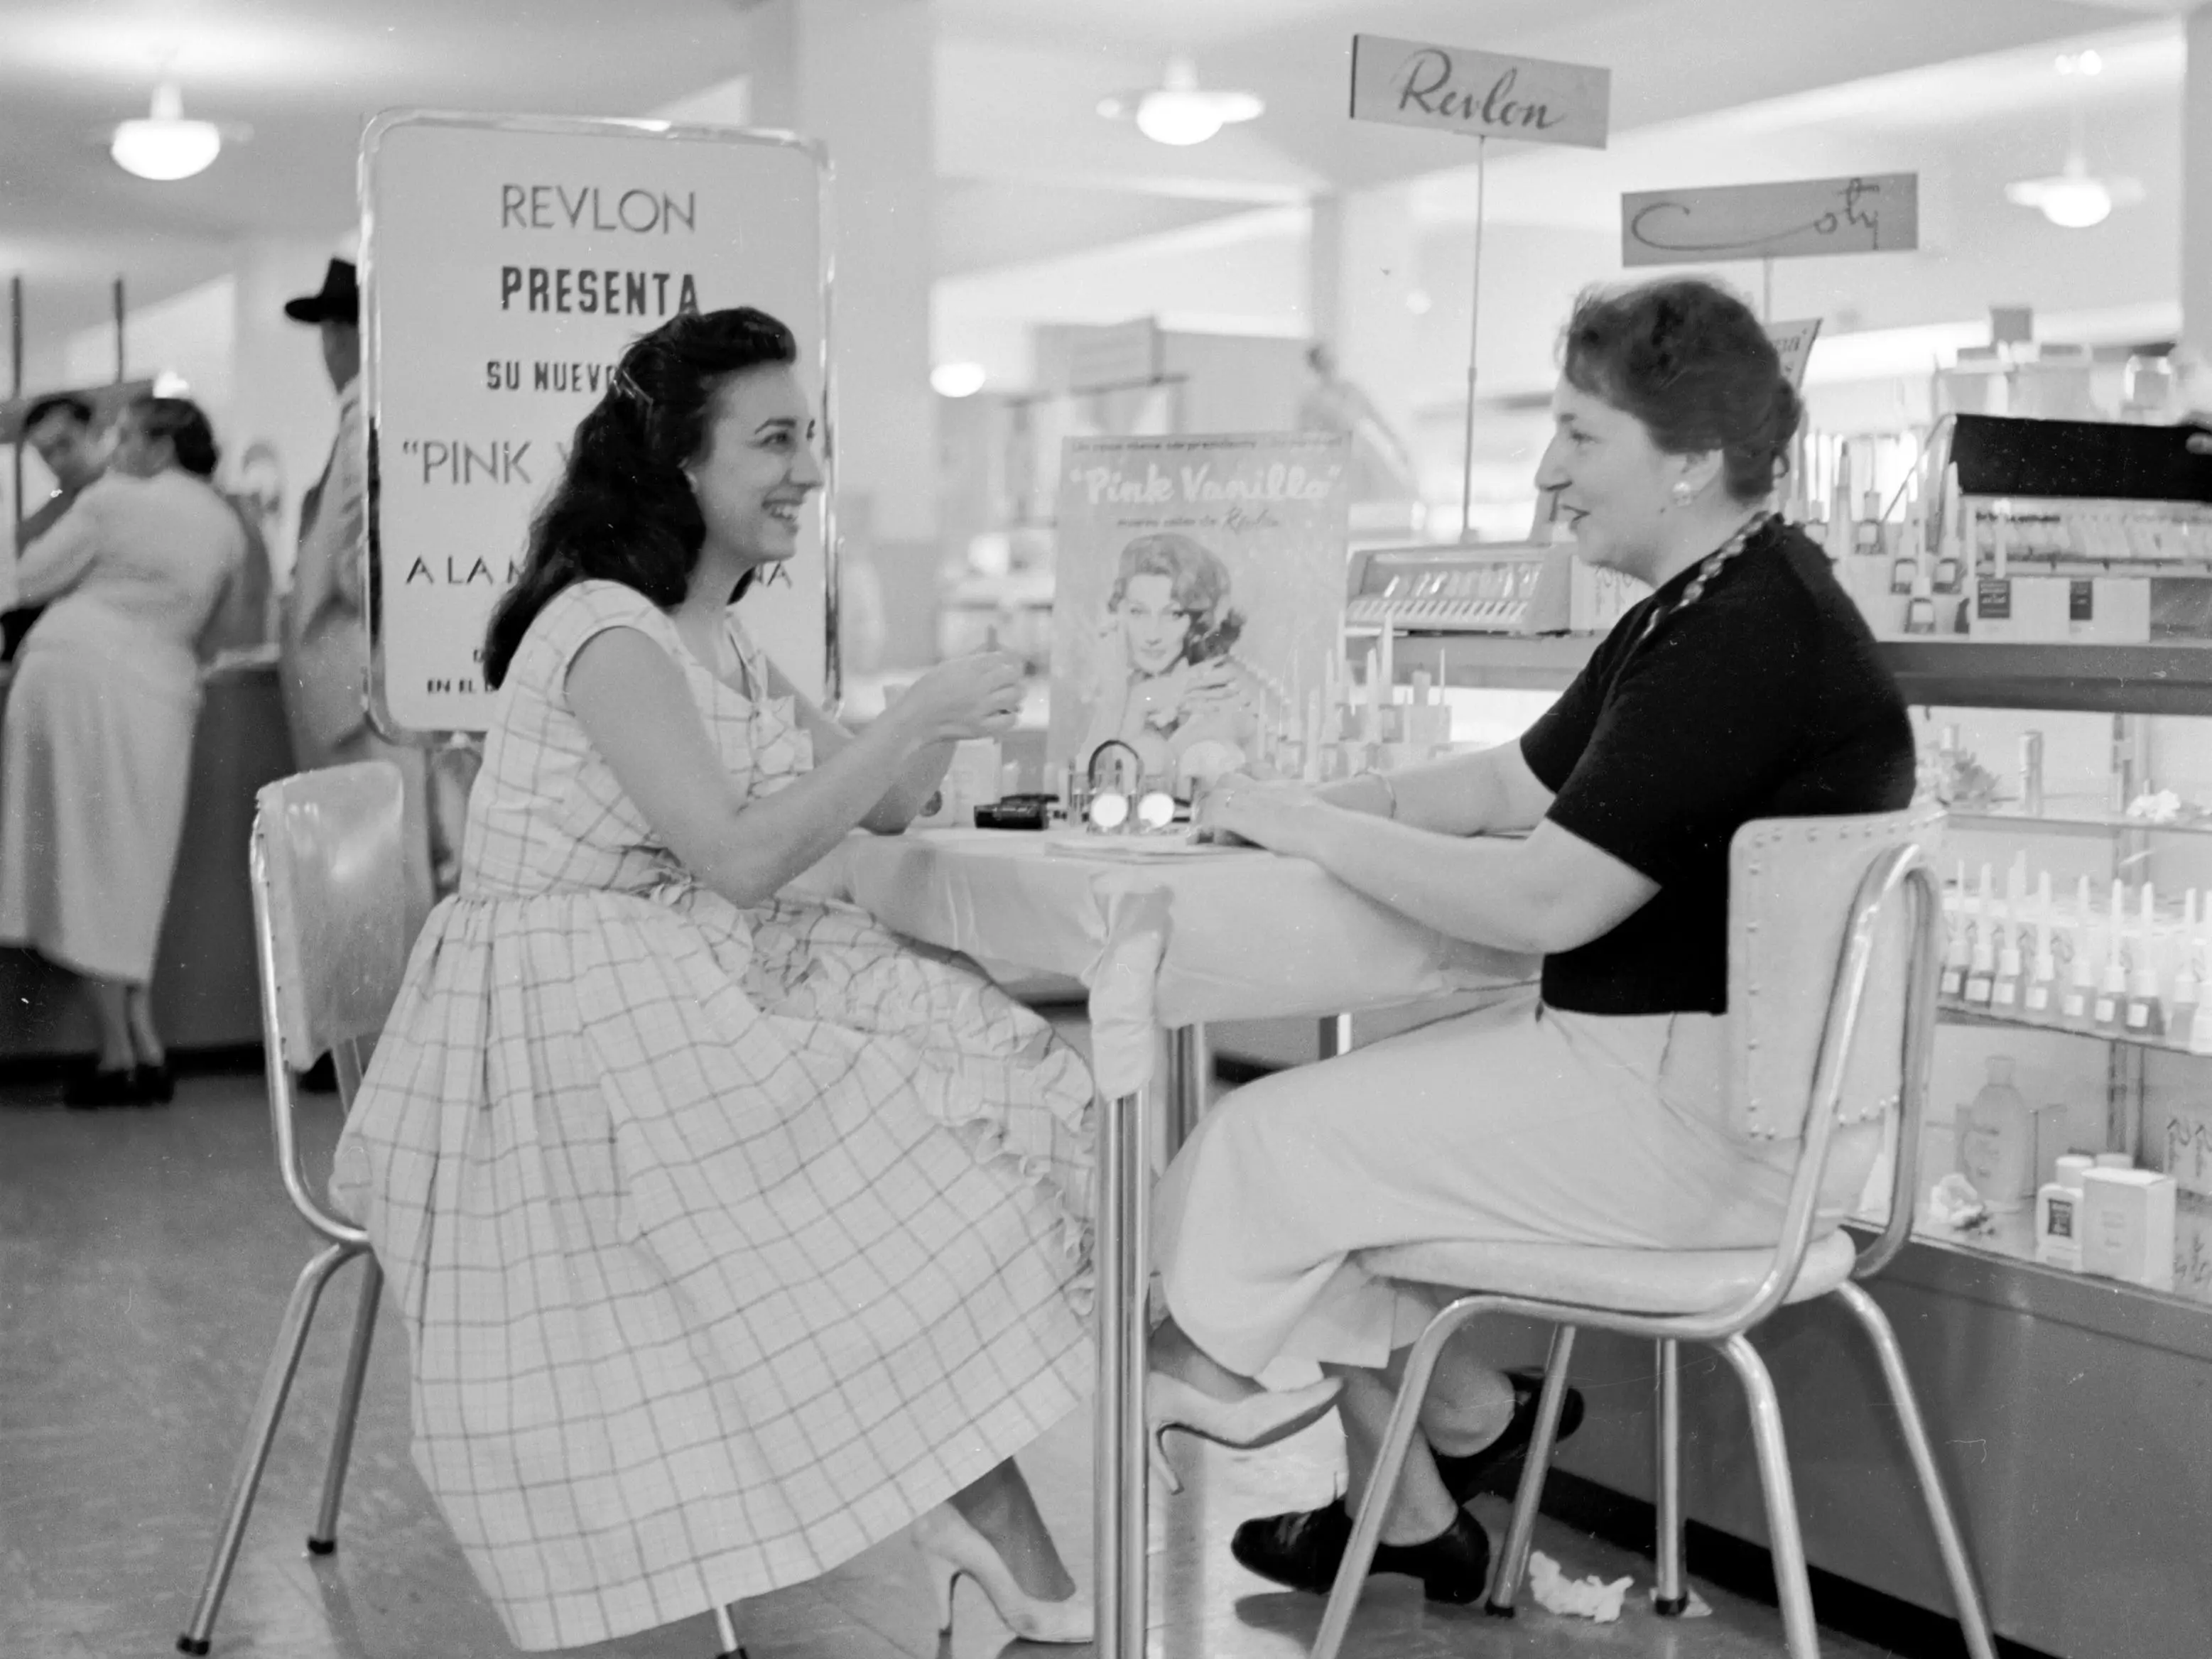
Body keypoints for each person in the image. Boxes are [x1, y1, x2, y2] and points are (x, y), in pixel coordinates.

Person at [328, 306, 1097, 1653]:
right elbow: (740, 857)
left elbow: (886, 805)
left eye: (814, 438)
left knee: (974, 1072)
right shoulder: (608, 631)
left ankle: (968, 1509)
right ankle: (968, 1508)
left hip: (649, 977)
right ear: (679, 465)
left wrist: (941, 711)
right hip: (549, 1025)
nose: (808, 469)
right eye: (777, 440)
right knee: (890, 1148)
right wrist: (909, 721)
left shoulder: (719, 632)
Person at [1150, 277, 1916, 1603]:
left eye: (1578, 434)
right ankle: (1446, 1431)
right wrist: (1313, 807)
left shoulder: (1733, 638)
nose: (1546, 472)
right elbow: (1513, 786)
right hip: (1708, 1097)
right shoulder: (1716, 598)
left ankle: (1274, 1400)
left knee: (1259, 1144)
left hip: (1698, 1135)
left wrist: (1307, 830)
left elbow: (1540, 903)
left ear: (1686, 461)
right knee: (1317, 1149)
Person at [0, 396, 246, 1106]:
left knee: (85, 862)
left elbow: (27, 577)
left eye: (129, 436)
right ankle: (139, 1038)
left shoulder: (111, 501)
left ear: (162, 446)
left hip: (76, 678)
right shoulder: (227, 523)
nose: (117, 449)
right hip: (163, 696)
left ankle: (119, 1051)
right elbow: (219, 628)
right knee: (130, 865)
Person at [277, 257, 440, 920]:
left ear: (341, 335)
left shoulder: (361, 412)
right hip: (368, 679)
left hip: (355, 678)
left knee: (379, 873)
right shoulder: (392, 407)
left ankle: (398, 1022)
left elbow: (359, 558)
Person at [1076, 531, 1265, 783]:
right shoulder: (1125, 685)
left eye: (1173, 614)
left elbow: (1149, 778)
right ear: (1120, 612)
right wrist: (1131, 699)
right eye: (1138, 612)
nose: (1152, 634)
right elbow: (1084, 788)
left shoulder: (1215, 691)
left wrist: (1138, 703)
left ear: (1198, 620)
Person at [4, 393, 109, 660]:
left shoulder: (142, 495)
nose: (58, 462)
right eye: (46, 453)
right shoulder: (37, 526)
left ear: (95, 430)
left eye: (65, 445)